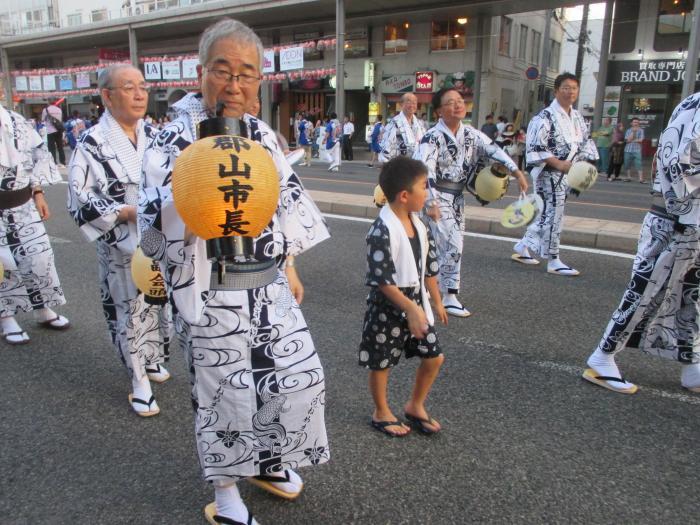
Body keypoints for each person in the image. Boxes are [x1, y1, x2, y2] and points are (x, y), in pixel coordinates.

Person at [138, 18, 330, 525]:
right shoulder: (172, 135)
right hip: (211, 285)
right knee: (223, 393)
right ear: (201, 73)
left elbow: (285, 200)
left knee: (293, 377)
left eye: (247, 73)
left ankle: (270, 463)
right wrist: (195, 191)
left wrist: (288, 263)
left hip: (268, 282)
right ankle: (225, 494)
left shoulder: (262, 131)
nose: (235, 83)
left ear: (261, 80)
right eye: (222, 70)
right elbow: (155, 218)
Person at [67, 64, 172, 417]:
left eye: (143, 86)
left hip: (158, 239)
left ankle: (153, 357)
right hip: (122, 243)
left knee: (159, 305)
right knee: (129, 311)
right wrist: (125, 211)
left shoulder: (155, 136)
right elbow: (80, 197)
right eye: (129, 87)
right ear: (107, 96)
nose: (140, 94)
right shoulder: (91, 142)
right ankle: (138, 379)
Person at [583, 91, 700, 395]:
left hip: (684, 217)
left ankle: (691, 364)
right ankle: (603, 354)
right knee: (646, 289)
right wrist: (682, 214)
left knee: (690, 297)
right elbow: (683, 163)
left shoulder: (692, 102)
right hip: (680, 219)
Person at [417, 88, 528, 317]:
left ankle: (436, 290)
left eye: (459, 101)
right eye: (450, 102)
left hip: (457, 198)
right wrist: (431, 202)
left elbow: (493, 150)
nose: (457, 105)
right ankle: (442, 293)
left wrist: (516, 172)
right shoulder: (432, 137)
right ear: (439, 110)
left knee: (443, 245)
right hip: (436, 197)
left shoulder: (471, 134)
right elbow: (424, 170)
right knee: (446, 245)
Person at [359, 156, 448, 437]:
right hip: (389, 305)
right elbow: (381, 280)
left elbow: (429, 267)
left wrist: (436, 300)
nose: (428, 192)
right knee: (382, 362)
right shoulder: (381, 229)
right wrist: (410, 308)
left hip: (416, 302)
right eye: (424, 186)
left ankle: (414, 405)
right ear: (405, 195)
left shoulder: (419, 224)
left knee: (434, 357)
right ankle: (381, 411)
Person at [511, 72, 598, 276]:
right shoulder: (543, 117)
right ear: (556, 91)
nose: (570, 92)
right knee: (555, 214)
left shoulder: (577, 117)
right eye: (566, 88)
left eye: (574, 88)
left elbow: (585, 142)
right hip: (549, 172)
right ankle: (553, 259)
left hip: (569, 172)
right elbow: (534, 147)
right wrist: (558, 163)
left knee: (546, 214)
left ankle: (523, 247)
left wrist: (586, 165)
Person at [0, 102, 70, 344]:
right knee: (4, 264)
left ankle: (43, 308)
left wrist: (38, 192)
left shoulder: (16, 120)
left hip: (23, 203)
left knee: (39, 256)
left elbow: (34, 156)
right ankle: (6, 317)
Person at [379, 92, 425, 162]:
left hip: (418, 167)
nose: (412, 105)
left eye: (414, 102)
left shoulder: (420, 124)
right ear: (401, 104)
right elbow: (386, 149)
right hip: (400, 166)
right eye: (408, 102)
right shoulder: (394, 123)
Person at [41, 100, 66, 167]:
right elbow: (60, 120)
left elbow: (42, 120)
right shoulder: (59, 110)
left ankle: (53, 162)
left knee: (51, 148)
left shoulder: (45, 110)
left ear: (49, 102)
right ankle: (63, 162)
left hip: (50, 131)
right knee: (60, 147)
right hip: (58, 130)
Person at [624, 117, 645, 183]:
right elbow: (627, 140)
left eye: (637, 122)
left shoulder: (641, 130)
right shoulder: (628, 130)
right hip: (628, 149)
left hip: (637, 149)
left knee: (639, 163)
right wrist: (633, 132)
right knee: (627, 163)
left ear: (639, 123)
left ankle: (641, 178)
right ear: (631, 123)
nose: (635, 123)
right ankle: (628, 177)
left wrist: (633, 140)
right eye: (634, 122)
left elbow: (641, 140)